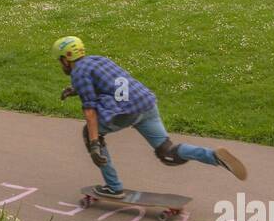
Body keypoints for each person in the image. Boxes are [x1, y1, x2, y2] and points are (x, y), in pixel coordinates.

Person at [54, 35, 246, 198]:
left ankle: (114, 187)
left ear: (65, 59)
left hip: (126, 112)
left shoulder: (78, 72)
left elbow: (90, 113)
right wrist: (75, 90)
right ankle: (214, 156)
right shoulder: (98, 60)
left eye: (59, 60)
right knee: (167, 152)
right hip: (146, 104)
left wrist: (94, 145)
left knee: (90, 133)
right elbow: (108, 83)